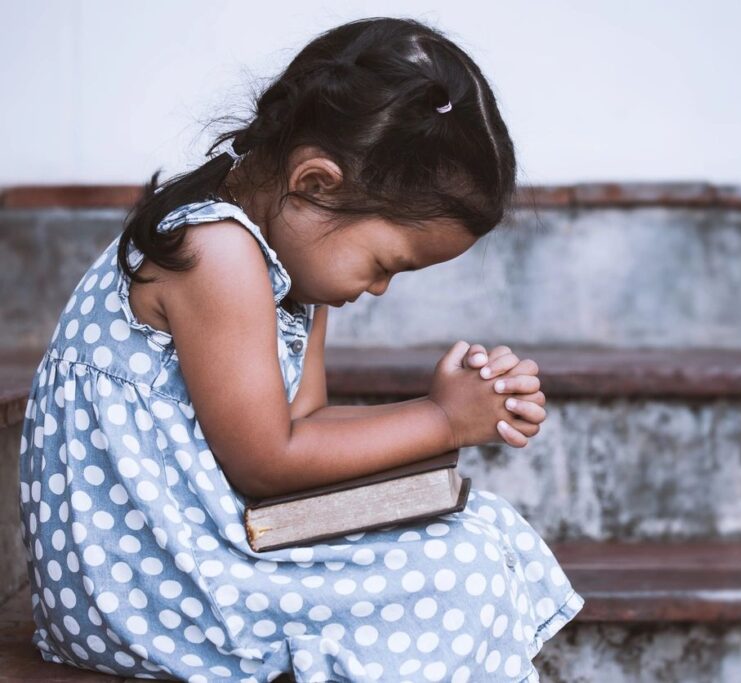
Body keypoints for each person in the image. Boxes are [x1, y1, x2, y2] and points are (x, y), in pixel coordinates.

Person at [17, 16, 584, 682]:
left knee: (483, 531)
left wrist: (451, 413)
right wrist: (440, 418)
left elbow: (304, 424)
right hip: (141, 588)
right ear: (317, 183)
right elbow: (269, 461)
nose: (378, 288)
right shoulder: (215, 253)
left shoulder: (290, 269)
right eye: (385, 264)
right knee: (461, 571)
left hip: (205, 551)